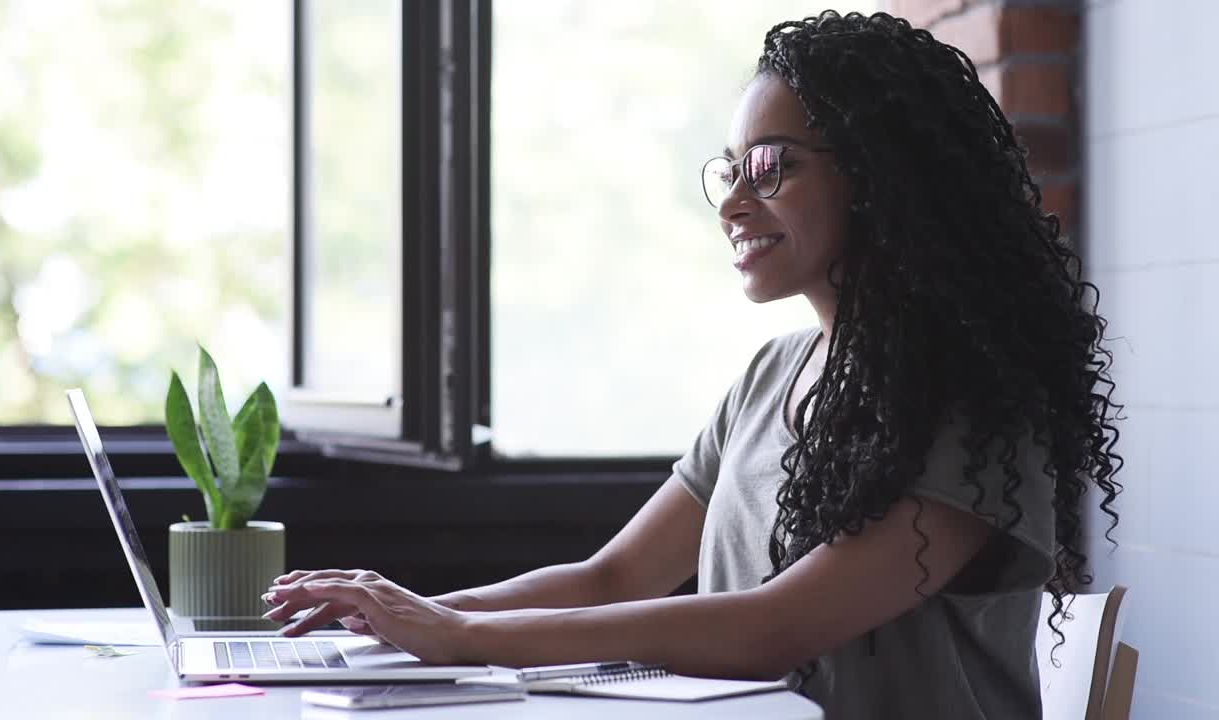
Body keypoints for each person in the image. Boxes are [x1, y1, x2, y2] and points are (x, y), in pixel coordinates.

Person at [262, 10, 1122, 718]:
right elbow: (613, 576)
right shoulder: (770, 377)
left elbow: (775, 628)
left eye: (771, 167)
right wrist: (402, 617)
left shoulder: (971, 405)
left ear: (882, 176)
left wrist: (463, 638)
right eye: (729, 171)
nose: (734, 203)